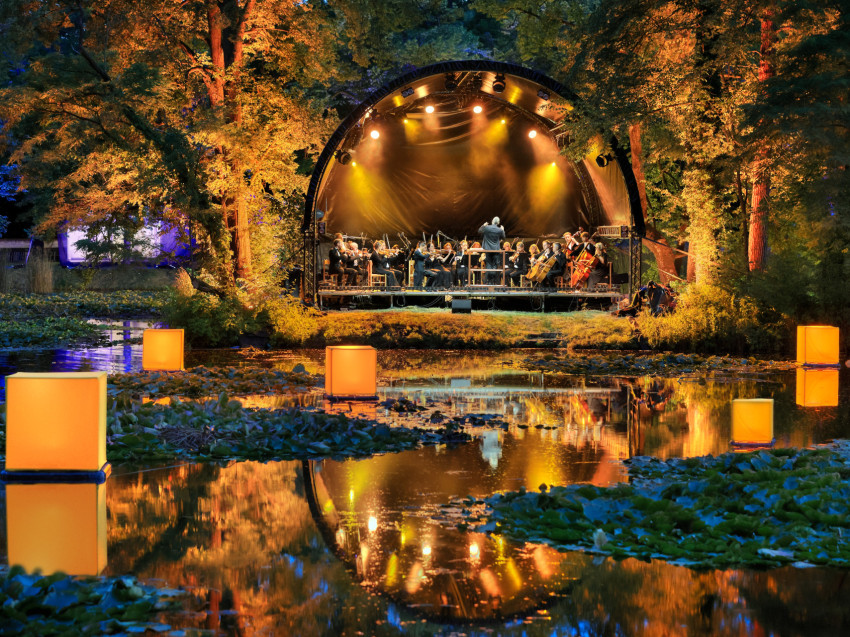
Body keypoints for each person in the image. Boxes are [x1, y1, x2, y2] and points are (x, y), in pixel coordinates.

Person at [478, 216, 506, 284]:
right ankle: (494, 282)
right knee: (495, 266)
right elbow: (504, 237)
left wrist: (483, 225)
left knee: (489, 265)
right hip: (496, 250)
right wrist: (502, 230)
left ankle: (488, 282)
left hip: (488, 249)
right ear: (498, 222)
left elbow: (479, 231)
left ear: (492, 221)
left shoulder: (487, 228)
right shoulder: (499, 229)